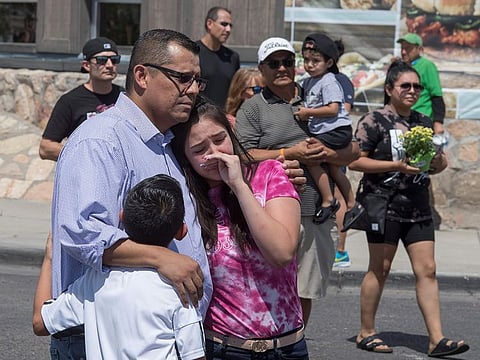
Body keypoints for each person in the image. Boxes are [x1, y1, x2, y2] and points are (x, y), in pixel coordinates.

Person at [47, 29, 304, 360]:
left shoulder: (163, 142)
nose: (193, 89)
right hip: (105, 333)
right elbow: (82, 232)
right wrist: (163, 258)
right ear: (142, 76)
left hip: (157, 332)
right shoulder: (101, 140)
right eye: (183, 78)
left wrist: (270, 179)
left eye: (198, 80)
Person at [235, 36, 359, 326]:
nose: (282, 68)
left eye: (287, 61)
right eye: (273, 63)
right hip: (269, 215)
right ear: (262, 69)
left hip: (314, 213)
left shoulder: (317, 94)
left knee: (304, 292)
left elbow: (353, 149)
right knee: (264, 290)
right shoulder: (253, 108)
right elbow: (244, 155)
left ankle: (294, 346)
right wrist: (288, 153)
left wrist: (327, 152)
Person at [350, 60, 469, 358]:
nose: (413, 91)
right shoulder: (374, 120)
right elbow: (355, 161)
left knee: (428, 270)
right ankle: (366, 331)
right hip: (383, 204)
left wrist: (439, 161)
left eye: (417, 86)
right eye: (406, 85)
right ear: (389, 89)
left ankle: (436, 339)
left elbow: (435, 164)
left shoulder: (423, 121)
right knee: (381, 268)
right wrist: (395, 165)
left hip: (417, 205)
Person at [171, 99, 307, 359]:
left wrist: (239, 186)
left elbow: (281, 253)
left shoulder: (270, 174)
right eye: (199, 149)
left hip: (286, 347)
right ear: (186, 158)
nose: (215, 153)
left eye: (220, 139)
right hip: (222, 348)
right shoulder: (189, 200)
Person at [33, 174, 205, 360]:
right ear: (182, 231)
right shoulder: (180, 290)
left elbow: (41, 323)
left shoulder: (94, 281)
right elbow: (194, 355)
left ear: (121, 218)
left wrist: (50, 258)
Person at [294, 32, 363, 229]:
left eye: (316, 61)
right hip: (329, 130)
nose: (309, 65)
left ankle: (328, 200)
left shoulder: (329, 80)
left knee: (312, 156)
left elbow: (333, 109)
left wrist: (308, 112)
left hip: (336, 129)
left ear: (329, 62)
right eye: (306, 60)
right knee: (333, 167)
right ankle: (352, 203)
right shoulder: (308, 81)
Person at [39, 37, 124, 161]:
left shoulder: (125, 97)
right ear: (86, 65)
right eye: (102, 60)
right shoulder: (70, 101)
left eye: (114, 60)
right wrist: (84, 156)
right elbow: (46, 148)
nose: (109, 65)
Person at [333, 38, 356, 268]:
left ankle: (340, 251)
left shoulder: (342, 81)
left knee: (339, 197)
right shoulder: (310, 80)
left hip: (334, 143)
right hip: (317, 141)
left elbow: (344, 112)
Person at [397, 33, 446, 135]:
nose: (403, 52)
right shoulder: (400, 66)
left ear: (419, 49)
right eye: (402, 48)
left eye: (408, 48)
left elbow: (436, 95)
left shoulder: (427, 66)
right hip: (401, 118)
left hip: (421, 120)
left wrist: (438, 122)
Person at [196, 6, 240, 108]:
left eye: (230, 26)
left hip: (223, 119)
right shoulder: (193, 52)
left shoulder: (232, 57)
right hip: (197, 119)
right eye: (224, 24)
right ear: (209, 23)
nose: (228, 29)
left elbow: (235, 93)